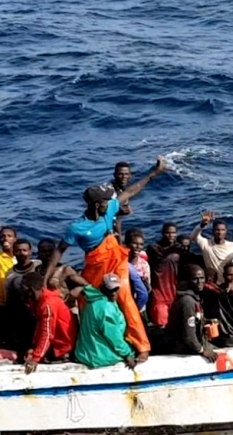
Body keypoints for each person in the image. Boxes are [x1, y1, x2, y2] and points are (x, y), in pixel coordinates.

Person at [44, 157, 167, 361]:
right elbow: (59, 251)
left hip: (116, 261)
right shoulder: (77, 228)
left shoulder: (109, 207)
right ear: (94, 204)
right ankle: (87, 345)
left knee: (124, 297)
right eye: (104, 201)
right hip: (95, 266)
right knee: (86, 302)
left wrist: (154, 173)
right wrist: (47, 278)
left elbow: (130, 191)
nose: (109, 203)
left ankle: (141, 346)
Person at [74, 274, 137, 369]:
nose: (113, 293)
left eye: (116, 289)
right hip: (100, 357)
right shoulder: (106, 308)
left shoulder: (92, 301)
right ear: (102, 288)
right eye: (110, 289)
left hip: (84, 352)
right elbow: (113, 337)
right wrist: (127, 354)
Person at [20, 273, 77, 373]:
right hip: (54, 342)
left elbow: (47, 334)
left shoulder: (48, 305)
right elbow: (40, 326)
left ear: (31, 290)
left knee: (20, 356)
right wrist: (33, 347)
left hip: (62, 347)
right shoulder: (38, 302)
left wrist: (35, 359)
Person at [164, 265, 216, 361]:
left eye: (202, 278)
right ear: (187, 279)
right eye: (195, 279)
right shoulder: (188, 302)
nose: (199, 282)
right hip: (181, 347)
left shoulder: (194, 298)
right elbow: (188, 335)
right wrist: (201, 350)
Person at [190, 212, 233, 277]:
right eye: (217, 230)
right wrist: (202, 225)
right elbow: (193, 237)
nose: (220, 232)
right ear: (213, 231)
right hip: (212, 282)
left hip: (228, 282)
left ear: (226, 231)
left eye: (222, 230)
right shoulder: (206, 244)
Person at [0, 227, 17, 311]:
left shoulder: (21, 258)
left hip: (17, 304)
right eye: (2, 236)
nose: (5, 238)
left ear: (15, 239)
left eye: (9, 236)